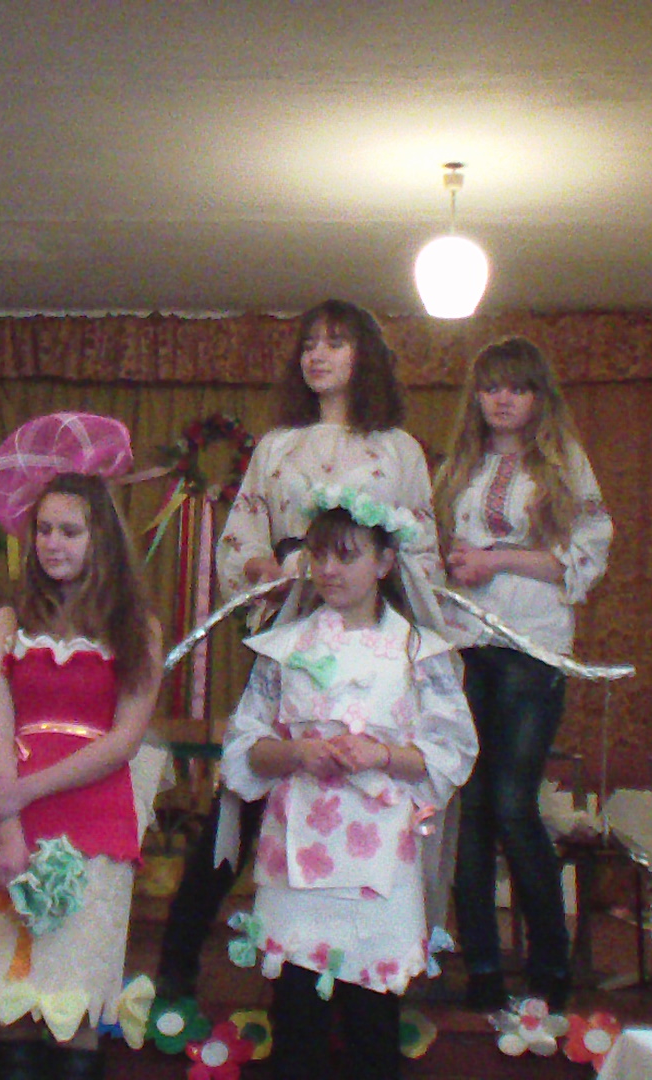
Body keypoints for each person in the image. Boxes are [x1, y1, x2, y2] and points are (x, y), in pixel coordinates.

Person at [159, 299, 440, 1000]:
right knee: (248, 787)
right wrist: (272, 570)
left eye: (336, 342)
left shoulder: (400, 450)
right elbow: (240, 540)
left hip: (371, 639)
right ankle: (179, 957)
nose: (318, 354)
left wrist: (381, 600)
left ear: (364, 356)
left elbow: (422, 554)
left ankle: (376, 959)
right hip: (292, 628)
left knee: (370, 785)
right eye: (310, 343)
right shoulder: (277, 446)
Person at [221, 488, 477, 1080]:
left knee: (372, 1026)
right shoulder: (285, 648)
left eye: (347, 555)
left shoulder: (418, 651)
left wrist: (381, 754)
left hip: (379, 860)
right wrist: (297, 752)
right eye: (319, 555)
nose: (329, 569)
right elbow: (244, 745)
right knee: (296, 1024)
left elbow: (452, 752)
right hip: (297, 857)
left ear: (384, 562)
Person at [0, 412, 165, 1080]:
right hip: (16, 819)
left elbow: (124, 740)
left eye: (69, 531)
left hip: (95, 821)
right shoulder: (5, 622)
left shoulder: (138, 628)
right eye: (43, 529)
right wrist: (8, 825)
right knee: (11, 1001)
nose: (52, 543)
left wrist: (24, 791)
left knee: (75, 1007)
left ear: (101, 539)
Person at [434, 337, 612, 1009]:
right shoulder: (459, 466)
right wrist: (455, 563)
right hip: (465, 642)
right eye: (491, 387)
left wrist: (496, 560)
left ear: (540, 396)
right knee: (472, 807)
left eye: (517, 387)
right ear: (476, 396)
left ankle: (550, 966)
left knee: (513, 802)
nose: (502, 399)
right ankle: (481, 967)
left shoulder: (563, 463)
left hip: (531, 647)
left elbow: (583, 559)